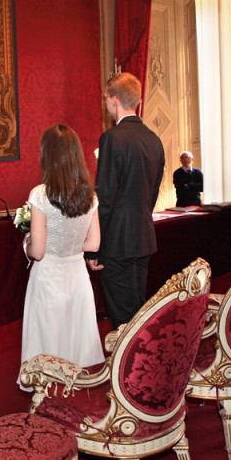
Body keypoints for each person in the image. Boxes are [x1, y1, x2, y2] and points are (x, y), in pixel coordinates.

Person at [19, 125, 105, 389]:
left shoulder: (40, 195)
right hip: (77, 275)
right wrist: (72, 246)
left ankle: (47, 390)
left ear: (48, 156)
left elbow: (39, 251)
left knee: (48, 335)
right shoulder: (89, 195)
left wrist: (26, 243)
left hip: (48, 276)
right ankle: (75, 389)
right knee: (74, 334)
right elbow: (94, 243)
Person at [87, 73, 165, 329]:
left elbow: (105, 198)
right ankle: (142, 364)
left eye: (105, 97)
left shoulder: (112, 138)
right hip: (144, 238)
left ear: (115, 99)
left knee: (122, 319)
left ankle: (129, 367)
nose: (104, 103)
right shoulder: (154, 140)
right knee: (138, 312)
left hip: (117, 244)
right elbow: (152, 194)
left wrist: (95, 248)